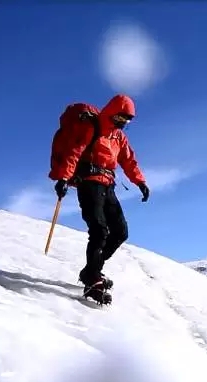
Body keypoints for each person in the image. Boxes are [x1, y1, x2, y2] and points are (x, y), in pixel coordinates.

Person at [48, 94, 150, 304]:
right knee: (99, 230)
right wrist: (64, 178)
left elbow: (128, 160)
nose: (123, 124)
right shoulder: (91, 127)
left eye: (127, 121)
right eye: (121, 119)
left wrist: (140, 182)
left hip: (108, 185)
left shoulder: (119, 138)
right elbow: (74, 153)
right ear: (113, 112)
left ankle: (92, 270)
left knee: (121, 232)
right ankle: (92, 279)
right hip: (88, 183)